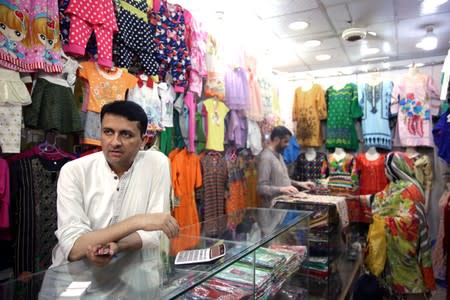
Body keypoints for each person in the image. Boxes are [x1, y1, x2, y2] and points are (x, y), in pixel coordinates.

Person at [51, 101, 179, 267]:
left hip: (131, 278)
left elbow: (154, 232)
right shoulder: (74, 171)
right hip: (75, 281)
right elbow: (74, 248)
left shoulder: (156, 163)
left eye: (126, 134)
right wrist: (139, 221)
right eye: (108, 132)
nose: (115, 142)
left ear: (143, 141)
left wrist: (116, 246)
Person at [347, 152, 435, 294]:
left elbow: (413, 221)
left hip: (407, 250)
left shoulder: (410, 190)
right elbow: (379, 198)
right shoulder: (395, 186)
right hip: (396, 249)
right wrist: (354, 198)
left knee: (413, 284)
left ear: (394, 168)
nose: (384, 171)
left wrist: (382, 222)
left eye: (385, 168)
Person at [257, 126, 315, 208]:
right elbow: (261, 188)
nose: (288, 145)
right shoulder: (266, 157)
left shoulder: (279, 155)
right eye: (285, 141)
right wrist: (281, 189)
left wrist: (300, 184)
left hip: (283, 208)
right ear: (277, 140)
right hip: (271, 210)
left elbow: (282, 179)